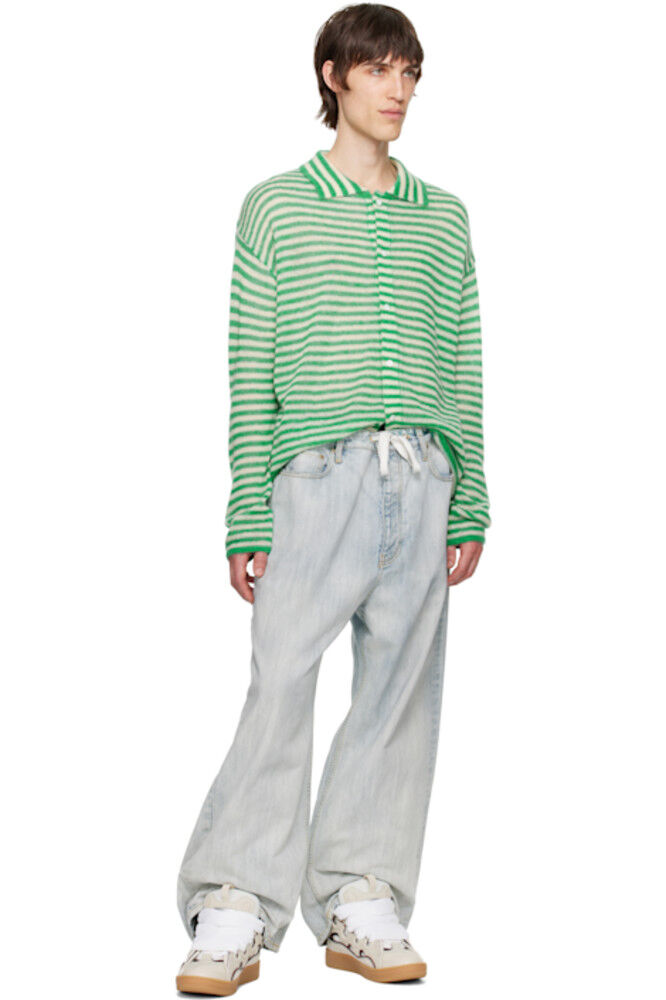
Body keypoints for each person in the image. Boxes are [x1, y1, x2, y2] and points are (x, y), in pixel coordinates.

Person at [175, 3, 491, 993]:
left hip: (423, 478)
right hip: (313, 479)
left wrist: (471, 494)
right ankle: (234, 898)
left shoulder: (444, 216)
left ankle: (362, 893)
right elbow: (250, 366)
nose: (399, 89)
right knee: (281, 684)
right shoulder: (275, 206)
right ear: (333, 75)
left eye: (410, 72)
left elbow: (464, 360)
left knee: (398, 695)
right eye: (379, 69)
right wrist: (246, 507)